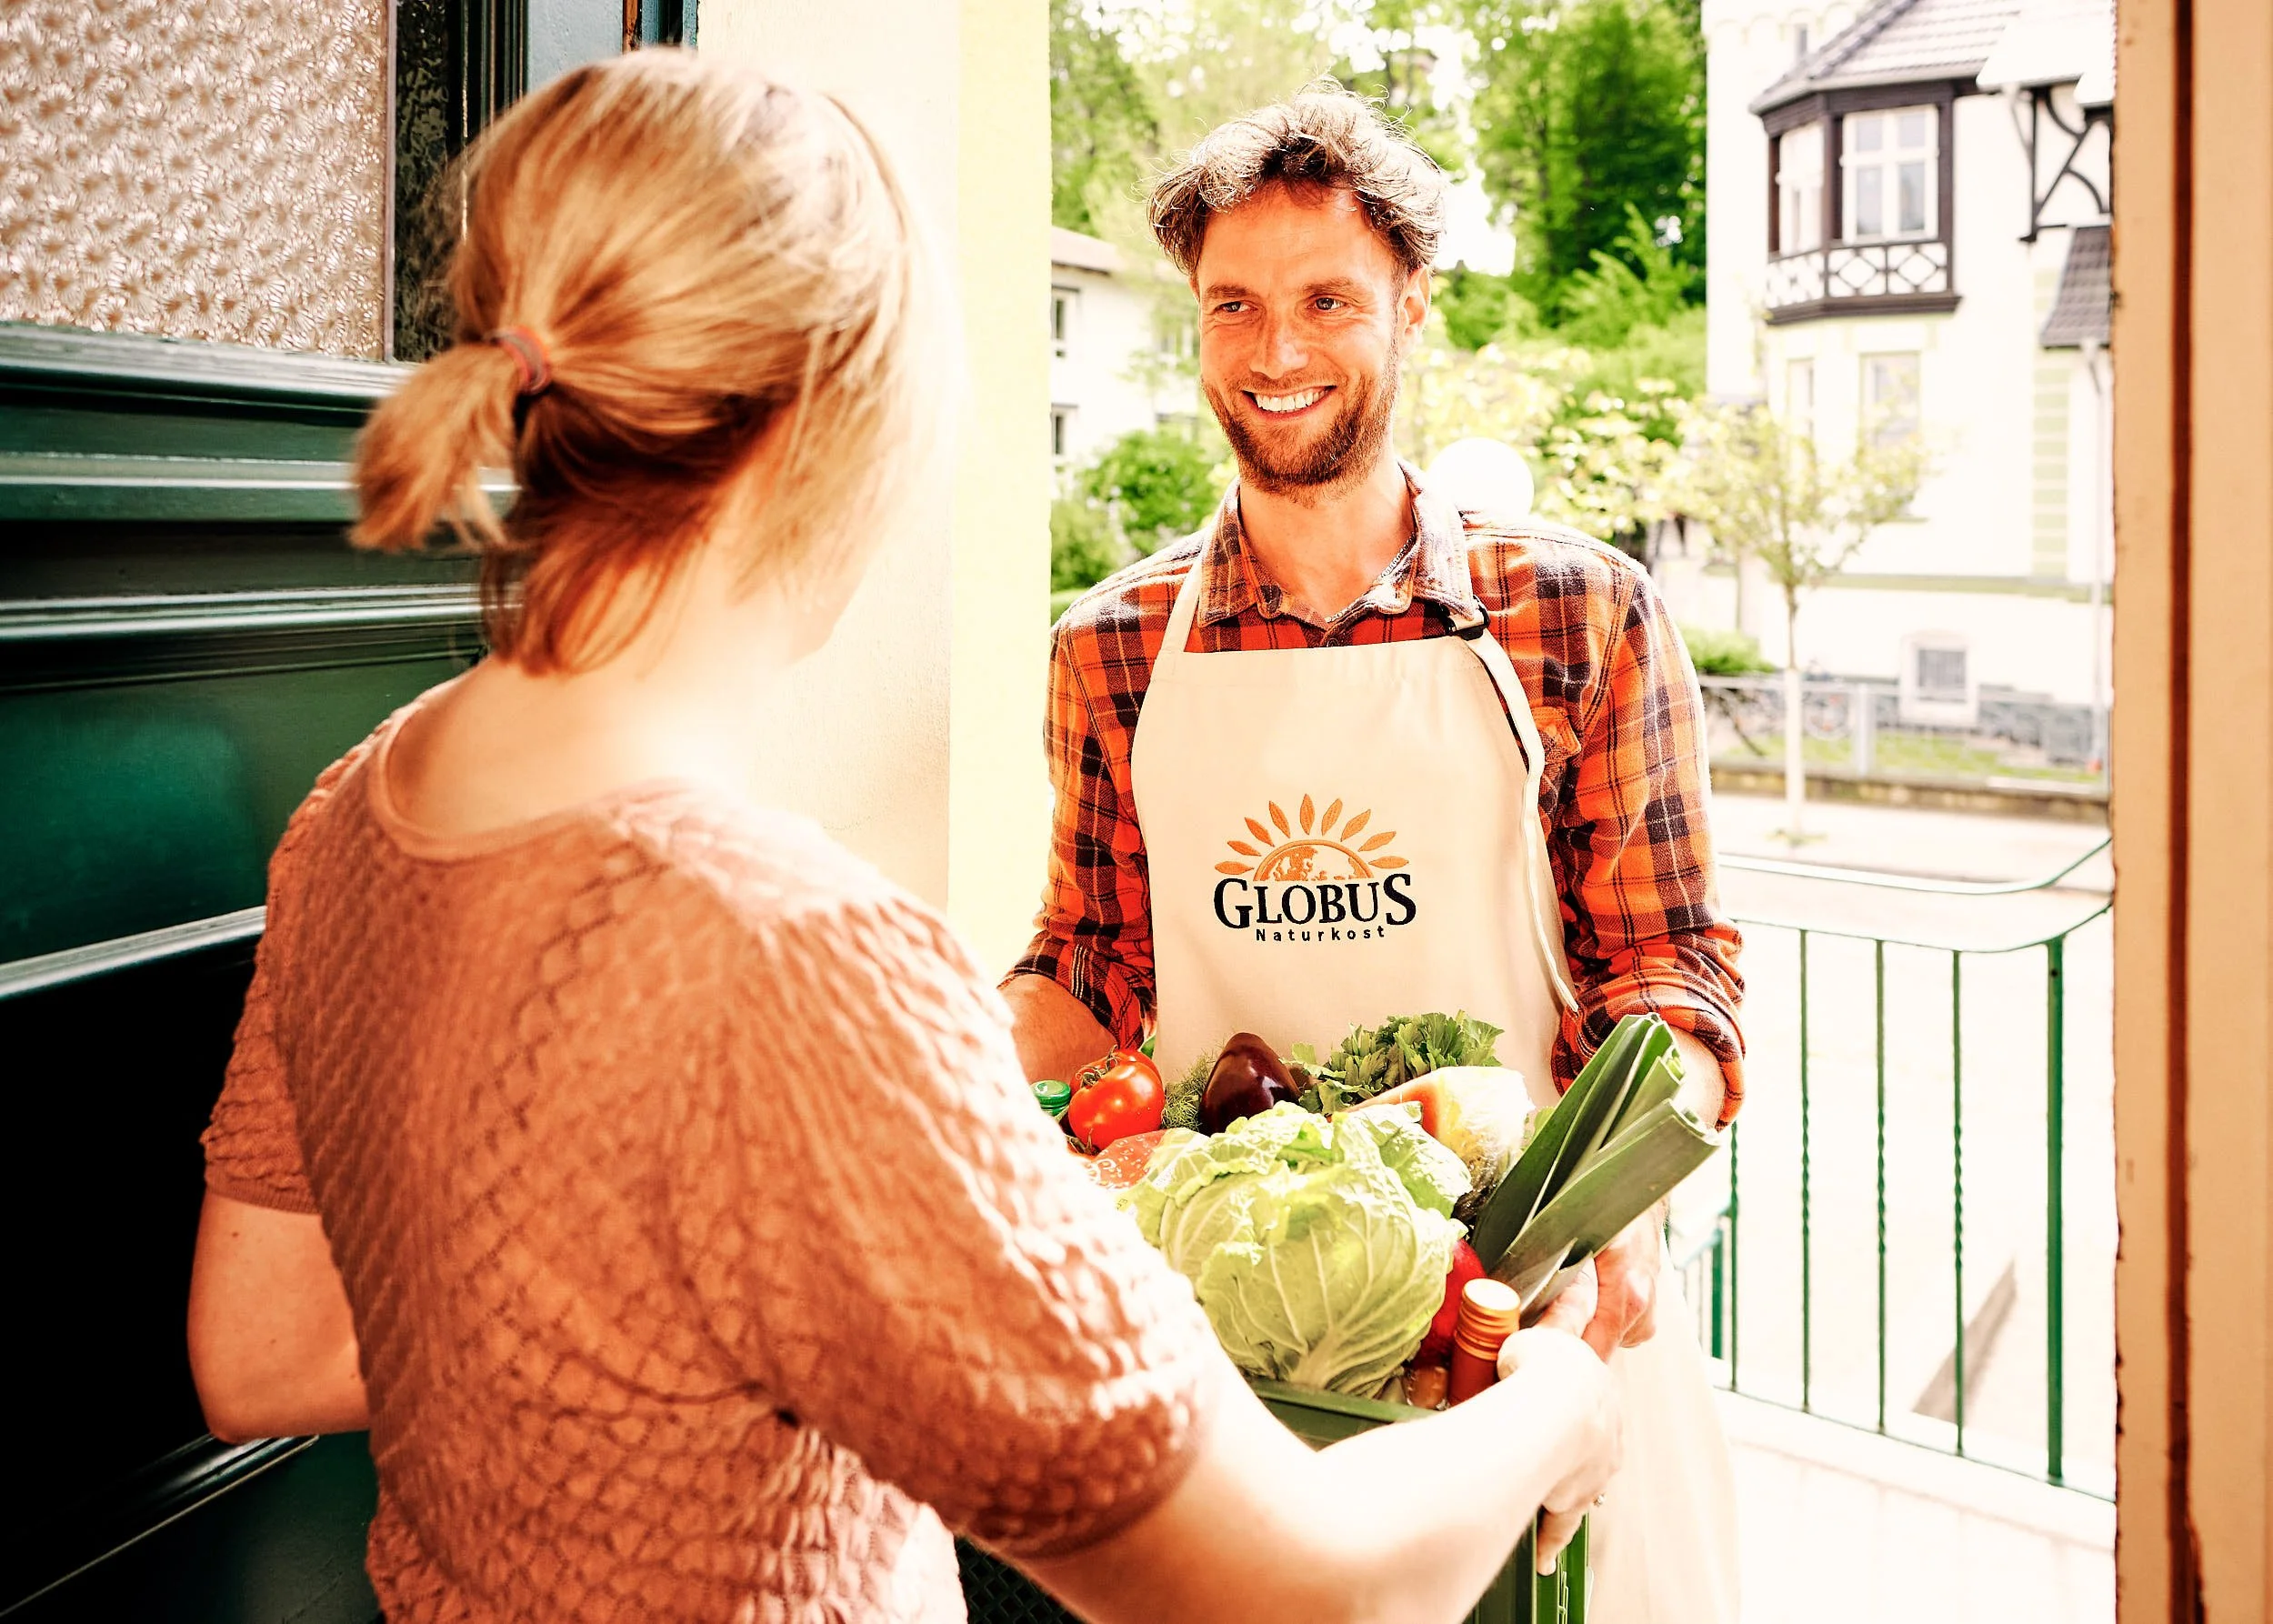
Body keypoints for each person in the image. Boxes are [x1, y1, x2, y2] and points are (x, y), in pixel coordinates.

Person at [184, 52, 1621, 1624]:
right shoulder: (802, 960)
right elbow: (1294, 1589)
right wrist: (1547, 1403)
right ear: (830, 425)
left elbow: (259, 1345)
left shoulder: (357, 810)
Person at [1001, 86, 1746, 1620]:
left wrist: (1616, 1210)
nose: (1277, 354)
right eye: (1235, 307)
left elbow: (1670, 971)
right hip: (1240, 1331)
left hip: (1526, 1316)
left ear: (1415, 307)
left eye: (1328, 299)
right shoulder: (1112, 647)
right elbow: (1093, 972)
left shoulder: (1579, 614)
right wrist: (925, 1085)